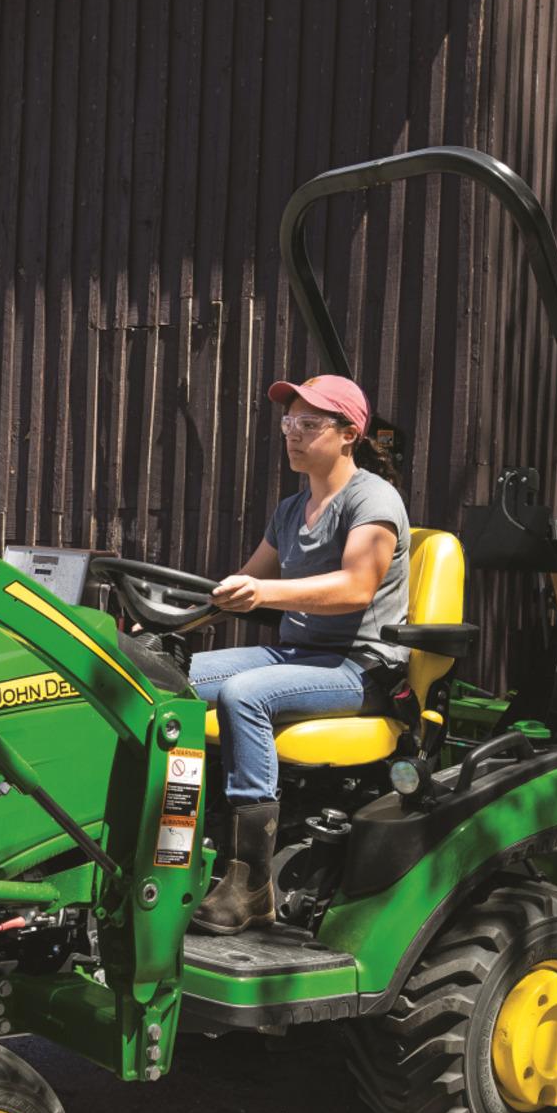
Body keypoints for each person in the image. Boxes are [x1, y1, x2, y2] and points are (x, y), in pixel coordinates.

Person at [188, 374, 409, 935]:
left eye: (311, 424)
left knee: (244, 694)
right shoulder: (292, 509)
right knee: (172, 675)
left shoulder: (373, 500)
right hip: (298, 654)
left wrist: (263, 593)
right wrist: (166, 620)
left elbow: (357, 587)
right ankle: (176, 839)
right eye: (290, 422)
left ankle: (252, 879)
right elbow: (243, 583)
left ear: (349, 433)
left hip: (361, 668)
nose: (294, 434)